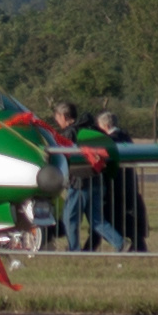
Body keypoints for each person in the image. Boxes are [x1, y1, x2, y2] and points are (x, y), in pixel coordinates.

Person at [54, 101, 128, 252]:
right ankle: (120, 243)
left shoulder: (70, 133)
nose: (57, 121)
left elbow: (63, 157)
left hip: (79, 183)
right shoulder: (93, 129)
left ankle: (74, 250)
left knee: (70, 218)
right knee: (96, 219)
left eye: (57, 117)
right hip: (98, 180)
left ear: (64, 116)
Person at [96, 111, 148, 252]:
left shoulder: (110, 141)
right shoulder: (126, 137)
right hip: (129, 182)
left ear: (105, 126)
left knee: (109, 217)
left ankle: (122, 243)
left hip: (116, 184)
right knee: (126, 217)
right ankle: (138, 245)